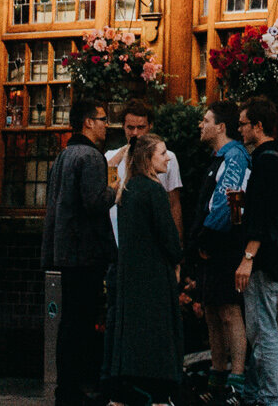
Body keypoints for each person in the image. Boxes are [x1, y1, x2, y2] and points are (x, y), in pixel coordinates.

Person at [40, 100, 115, 406]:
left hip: (65, 251)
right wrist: (116, 189)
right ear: (87, 122)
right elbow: (95, 202)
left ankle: (65, 389)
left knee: (69, 322)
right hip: (86, 253)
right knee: (81, 322)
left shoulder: (65, 155)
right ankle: (75, 390)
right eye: (101, 119)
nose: (105, 125)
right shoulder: (91, 157)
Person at [103, 133, 184, 406]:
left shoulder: (128, 189)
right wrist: (178, 259)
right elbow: (168, 237)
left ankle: (124, 395)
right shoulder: (153, 190)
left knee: (133, 339)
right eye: (162, 153)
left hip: (131, 276)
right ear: (148, 159)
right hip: (155, 278)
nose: (167, 157)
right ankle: (160, 396)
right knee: (158, 340)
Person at [237, 97, 278, 406]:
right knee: (260, 327)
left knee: (263, 329)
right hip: (270, 257)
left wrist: (248, 258)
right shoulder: (275, 158)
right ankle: (256, 393)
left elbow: (262, 215)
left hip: (263, 258)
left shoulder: (266, 161)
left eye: (244, 124)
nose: (240, 129)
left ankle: (268, 398)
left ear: (258, 127)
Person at [193, 103, 251, 406]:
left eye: (206, 121)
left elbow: (225, 201)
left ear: (221, 127)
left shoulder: (235, 157)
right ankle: (217, 379)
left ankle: (236, 385)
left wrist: (207, 235)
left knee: (229, 311)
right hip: (211, 245)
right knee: (212, 312)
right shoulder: (218, 158)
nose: (201, 126)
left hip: (225, 245)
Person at [108, 99, 184, 233]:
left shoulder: (167, 158)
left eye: (141, 127)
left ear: (150, 126)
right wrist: (117, 159)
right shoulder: (111, 158)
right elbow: (109, 195)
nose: (135, 133)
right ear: (123, 126)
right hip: (117, 235)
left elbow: (174, 203)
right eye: (130, 127)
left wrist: (178, 241)